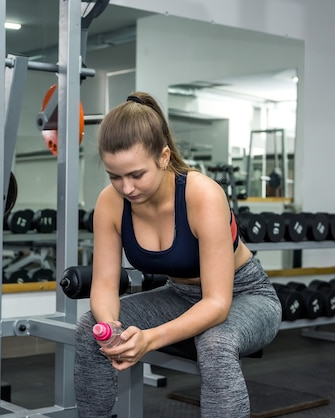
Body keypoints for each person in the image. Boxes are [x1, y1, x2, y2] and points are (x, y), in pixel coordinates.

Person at [74, 92, 282, 417]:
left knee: (215, 343)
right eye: (115, 176)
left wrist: (149, 339)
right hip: (178, 295)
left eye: (136, 175)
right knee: (90, 328)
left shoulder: (202, 195)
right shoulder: (110, 203)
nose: (126, 188)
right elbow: (103, 283)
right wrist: (112, 328)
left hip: (246, 296)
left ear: (163, 156)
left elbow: (216, 303)